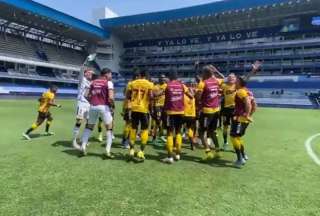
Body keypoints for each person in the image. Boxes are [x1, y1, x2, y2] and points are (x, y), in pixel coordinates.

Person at [79, 68, 115, 158]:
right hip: (104, 107)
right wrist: (112, 106)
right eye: (111, 74)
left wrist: (91, 102)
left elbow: (86, 95)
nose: (111, 76)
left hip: (93, 107)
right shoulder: (109, 83)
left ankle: (83, 147)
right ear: (106, 74)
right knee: (109, 128)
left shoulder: (92, 82)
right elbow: (111, 98)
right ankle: (107, 150)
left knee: (89, 126)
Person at [231, 62, 261, 168]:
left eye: (236, 80)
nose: (235, 81)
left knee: (234, 137)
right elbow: (255, 105)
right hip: (243, 119)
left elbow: (249, 103)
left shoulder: (240, 92)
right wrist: (249, 115)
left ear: (239, 82)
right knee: (238, 138)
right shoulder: (247, 91)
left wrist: (247, 114)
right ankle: (243, 156)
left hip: (239, 118)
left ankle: (240, 159)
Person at [161, 71, 193, 164]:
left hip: (170, 112)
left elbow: (157, 94)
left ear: (170, 77)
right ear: (177, 76)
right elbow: (191, 96)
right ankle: (178, 154)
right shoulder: (182, 85)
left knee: (170, 133)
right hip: (180, 112)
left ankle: (170, 157)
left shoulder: (167, 85)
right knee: (178, 132)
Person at [196, 65, 225, 160]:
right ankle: (217, 151)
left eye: (203, 72)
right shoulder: (216, 81)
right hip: (216, 110)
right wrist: (216, 71)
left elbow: (198, 98)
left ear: (205, 73)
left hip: (206, 111)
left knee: (201, 132)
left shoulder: (202, 83)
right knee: (212, 131)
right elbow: (224, 79)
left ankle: (208, 153)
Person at [126, 69, 154, 162]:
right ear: (146, 76)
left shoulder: (132, 83)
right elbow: (151, 96)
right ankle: (141, 151)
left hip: (134, 109)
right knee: (145, 130)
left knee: (133, 129)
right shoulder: (149, 84)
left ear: (140, 75)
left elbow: (128, 96)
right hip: (144, 109)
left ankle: (131, 150)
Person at [72, 69, 94, 148]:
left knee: (89, 122)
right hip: (81, 103)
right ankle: (74, 141)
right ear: (85, 73)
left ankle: (84, 139)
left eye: (92, 73)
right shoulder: (82, 79)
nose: (91, 74)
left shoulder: (91, 82)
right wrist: (85, 62)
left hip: (89, 104)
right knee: (79, 121)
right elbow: (81, 70)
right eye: (90, 73)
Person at [121, 72, 138, 149]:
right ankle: (126, 142)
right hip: (131, 106)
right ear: (137, 76)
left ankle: (124, 141)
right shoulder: (134, 84)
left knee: (127, 124)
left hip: (126, 105)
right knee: (130, 125)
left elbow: (124, 92)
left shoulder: (128, 83)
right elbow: (129, 95)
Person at [220, 73, 237, 150]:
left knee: (235, 128)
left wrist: (253, 70)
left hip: (235, 110)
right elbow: (221, 80)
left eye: (232, 77)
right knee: (225, 127)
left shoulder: (237, 85)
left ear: (235, 79)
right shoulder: (224, 86)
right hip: (226, 109)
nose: (231, 79)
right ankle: (225, 142)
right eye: (229, 77)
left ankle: (236, 144)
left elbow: (246, 78)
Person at [151, 74, 167, 146]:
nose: (163, 79)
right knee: (158, 121)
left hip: (165, 106)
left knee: (164, 122)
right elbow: (155, 94)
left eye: (164, 78)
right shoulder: (155, 87)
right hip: (157, 106)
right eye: (161, 78)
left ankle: (160, 136)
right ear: (159, 79)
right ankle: (155, 138)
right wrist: (162, 91)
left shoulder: (167, 86)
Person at [183, 83, 197, 150]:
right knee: (190, 129)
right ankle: (192, 143)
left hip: (184, 114)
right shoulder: (194, 97)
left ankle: (175, 144)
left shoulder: (183, 96)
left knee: (179, 129)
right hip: (192, 115)